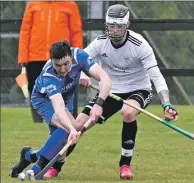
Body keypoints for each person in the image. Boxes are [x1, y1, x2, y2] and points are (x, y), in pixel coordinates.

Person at [44, 4, 179, 180]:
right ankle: (56, 166)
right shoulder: (101, 42)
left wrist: (166, 103)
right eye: (111, 26)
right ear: (107, 25)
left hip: (138, 89)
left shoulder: (140, 45)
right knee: (77, 126)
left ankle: (125, 164)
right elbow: (79, 61)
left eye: (119, 26)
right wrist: (82, 75)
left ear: (127, 25)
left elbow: (156, 76)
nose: (114, 31)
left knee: (128, 112)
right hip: (110, 90)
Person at [10, 40, 112, 179]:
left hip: (66, 96)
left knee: (62, 139)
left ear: (71, 57)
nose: (63, 69)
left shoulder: (79, 56)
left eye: (66, 64)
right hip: (43, 99)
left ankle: (29, 155)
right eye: (58, 65)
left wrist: (98, 103)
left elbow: (105, 79)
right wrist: (71, 129)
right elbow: (58, 107)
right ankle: (38, 168)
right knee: (67, 129)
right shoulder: (49, 75)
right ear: (52, 61)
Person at [18, 1, 83, 122]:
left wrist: (75, 56)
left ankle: (70, 119)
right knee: (35, 89)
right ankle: (39, 120)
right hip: (35, 56)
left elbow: (76, 32)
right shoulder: (33, 5)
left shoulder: (70, 5)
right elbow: (25, 31)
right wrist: (23, 57)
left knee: (67, 88)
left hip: (61, 57)